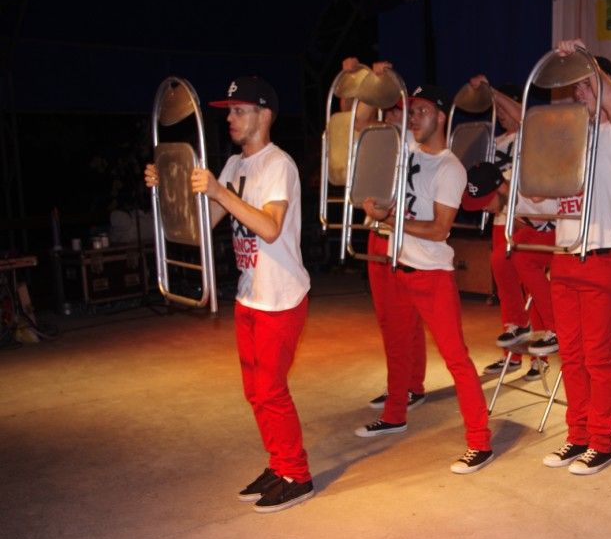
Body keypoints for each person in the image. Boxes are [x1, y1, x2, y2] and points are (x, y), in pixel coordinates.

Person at [145, 76, 314, 513]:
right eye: (229, 111)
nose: (230, 118)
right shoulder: (236, 164)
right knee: (255, 392)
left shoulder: (278, 164)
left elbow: (270, 227)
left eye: (239, 110)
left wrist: (219, 191)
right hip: (249, 293)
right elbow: (203, 225)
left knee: (272, 390)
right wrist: (167, 189)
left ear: (264, 114)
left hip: (280, 296)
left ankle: (297, 474)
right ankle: (279, 464)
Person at [356, 84, 494, 474]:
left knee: (456, 359)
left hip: (432, 275)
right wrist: (374, 82)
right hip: (399, 266)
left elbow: (438, 230)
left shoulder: (450, 168)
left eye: (422, 111)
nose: (413, 117)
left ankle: (480, 441)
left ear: (441, 116)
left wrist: (389, 219)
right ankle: (394, 414)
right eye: (411, 110)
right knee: (397, 346)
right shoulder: (407, 150)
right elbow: (363, 128)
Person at [536, 40, 611, 475]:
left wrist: (587, 61)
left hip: (603, 256)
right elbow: (544, 197)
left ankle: (601, 441)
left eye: (587, 84)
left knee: (597, 355)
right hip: (564, 256)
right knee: (572, 354)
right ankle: (577, 435)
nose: (579, 92)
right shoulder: (570, 136)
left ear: (606, 83)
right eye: (576, 86)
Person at [338, 57, 427, 411]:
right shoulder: (377, 138)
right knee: (387, 319)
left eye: (396, 108)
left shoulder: (414, 140)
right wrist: (359, 83)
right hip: (377, 232)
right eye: (385, 107)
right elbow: (353, 119)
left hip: (404, 235)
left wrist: (383, 81)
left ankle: (411, 385)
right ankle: (399, 384)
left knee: (406, 318)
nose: (390, 114)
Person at [465, 78, 559, 380]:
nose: (503, 115)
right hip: (503, 216)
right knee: (503, 272)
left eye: (506, 109)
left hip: (529, 216)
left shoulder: (532, 135)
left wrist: (492, 90)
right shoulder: (494, 143)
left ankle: (540, 356)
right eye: (499, 110)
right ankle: (513, 352)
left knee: (530, 279)